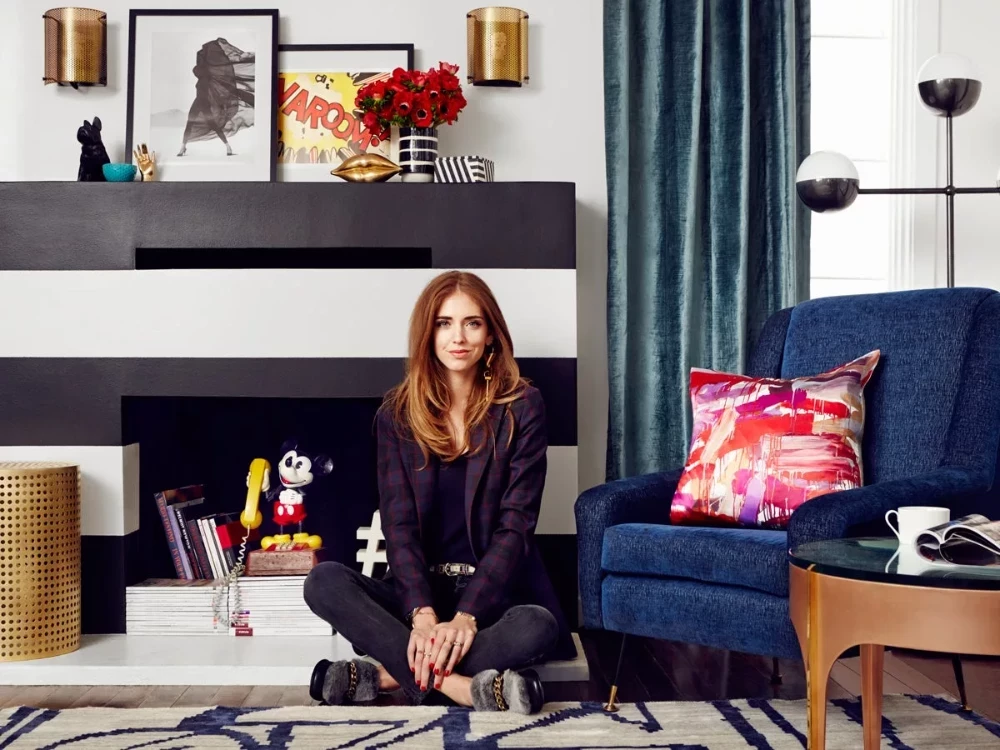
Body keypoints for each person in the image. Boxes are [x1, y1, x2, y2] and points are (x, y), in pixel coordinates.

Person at [303, 270, 576, 713]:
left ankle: (388, 677)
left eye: (472, 323)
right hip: (417, 592)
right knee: (323, 581)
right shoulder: (397, 413)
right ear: (428, 334)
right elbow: (398, 525)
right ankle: (462, 689)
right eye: (444, 323)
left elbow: (516, 526)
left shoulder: (523, 406)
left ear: (491, 334)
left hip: (492, 597)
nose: (458, 337)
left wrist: (466, 615)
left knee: (537, 625)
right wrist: (423, 615)